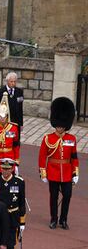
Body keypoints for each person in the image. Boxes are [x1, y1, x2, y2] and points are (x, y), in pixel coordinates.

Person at [39, 97, 79, 230]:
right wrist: (43, 173)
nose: (60, 127)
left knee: (67, 196)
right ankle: (53, 219)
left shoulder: (71, 139)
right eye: (58, 125)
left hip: (67, 172)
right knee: (54, 197)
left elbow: (74, 157)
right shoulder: (48, 138)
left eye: (62, 125)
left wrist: (75, 173)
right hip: (53, 172)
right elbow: (42, 157)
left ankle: (63, 219)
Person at [0, 72, 24, 141]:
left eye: (15, 81)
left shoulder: (19, 92)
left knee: (15, 141)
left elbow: (20, 108)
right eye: (11, 81)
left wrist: (21, 123)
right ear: (7, 81)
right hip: (4, 122)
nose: (13, 83)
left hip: (15, 122)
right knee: (7, 140)